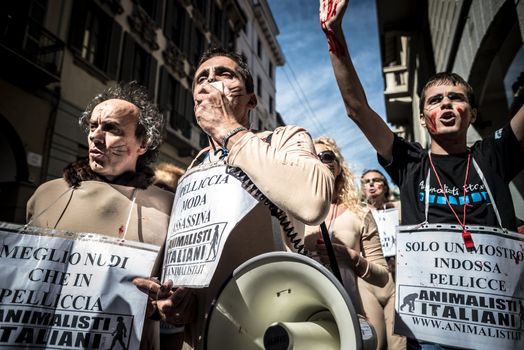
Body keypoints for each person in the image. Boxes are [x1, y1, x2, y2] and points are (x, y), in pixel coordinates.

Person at [320, 0, 524, 348]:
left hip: (497, 324)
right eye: (435, 100)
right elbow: (356, 109)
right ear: (421, 117)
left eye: (456, 98)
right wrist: (334, 37)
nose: (446, 104)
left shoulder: (494, 155)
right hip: (432, 329)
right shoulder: (409, 163)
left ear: (472, 113)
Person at [139, 47, 334, 349]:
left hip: (272, 329)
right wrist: (182, 301)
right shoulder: (193, 170)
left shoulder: (283, 139)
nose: (210, 81)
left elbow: (314, 201)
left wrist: (229, 128)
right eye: (202, 78)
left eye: (224, 74)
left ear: (251, 101)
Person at [26, 81, 174, 350]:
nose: (96, 136)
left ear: (143, 143)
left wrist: (163, 304)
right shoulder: (47, 196)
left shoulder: (167, 207)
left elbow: (180, 296)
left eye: (111, 128)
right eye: (93, 126)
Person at [304, 137, 389, 349]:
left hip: (354, 313)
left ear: (339, 167)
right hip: (306, 313)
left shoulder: (360, 214)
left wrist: (353, 259)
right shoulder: (289, 212)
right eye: (312, 156)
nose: (320, 161)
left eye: (326, 156)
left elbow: (383, 276)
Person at [360, 169, 406, 350]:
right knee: (375, 340)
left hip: (398, 278)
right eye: (366, 181)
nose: (371, 184)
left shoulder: (399, 208)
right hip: (370, 280)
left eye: (375, 180)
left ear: (384, 185)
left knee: (398, 339)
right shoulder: (359, 213)